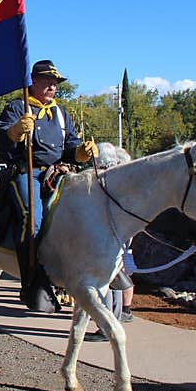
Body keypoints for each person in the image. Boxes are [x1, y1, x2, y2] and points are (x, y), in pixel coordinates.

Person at [0, 59, 98, 313]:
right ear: (33, 81)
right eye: (47, 82)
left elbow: (70, 148)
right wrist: (14, 132)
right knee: (32, 218)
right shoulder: (17, 106)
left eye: (55, 83)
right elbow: (1, 142)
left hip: (57, 173)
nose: (53, 86)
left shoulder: (61, 113)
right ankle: (30, 276)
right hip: (26, 172)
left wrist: (81, 153)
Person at [84, 142, 135, 342]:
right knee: (113, 281)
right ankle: (113, 321)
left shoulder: (105, 182)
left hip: (107, 239)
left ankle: (107, 327)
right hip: (117, 237)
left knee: (108, 283)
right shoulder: (120, 181)